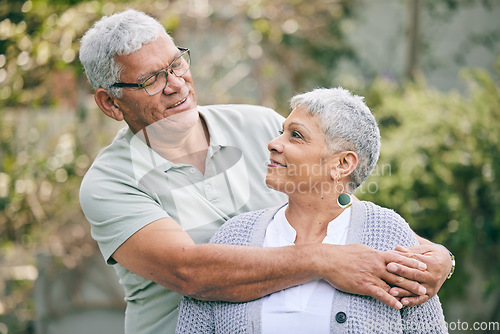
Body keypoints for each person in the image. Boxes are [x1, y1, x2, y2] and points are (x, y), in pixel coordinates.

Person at [78, 9, 453, 334]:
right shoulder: (110, 184)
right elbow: (188, 273)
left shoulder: (257, 125)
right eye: (150, 80)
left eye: (176, 64)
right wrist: (323, 259)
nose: (176, 85)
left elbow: (338, 204)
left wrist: (433, 256)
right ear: (111, 102)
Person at [176, 87, 448, 333]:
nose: (274, 143)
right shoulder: (233, 236)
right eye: (282, 131)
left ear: (342, 164)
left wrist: (446, 258)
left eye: (296, 135)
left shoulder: (387, 235)